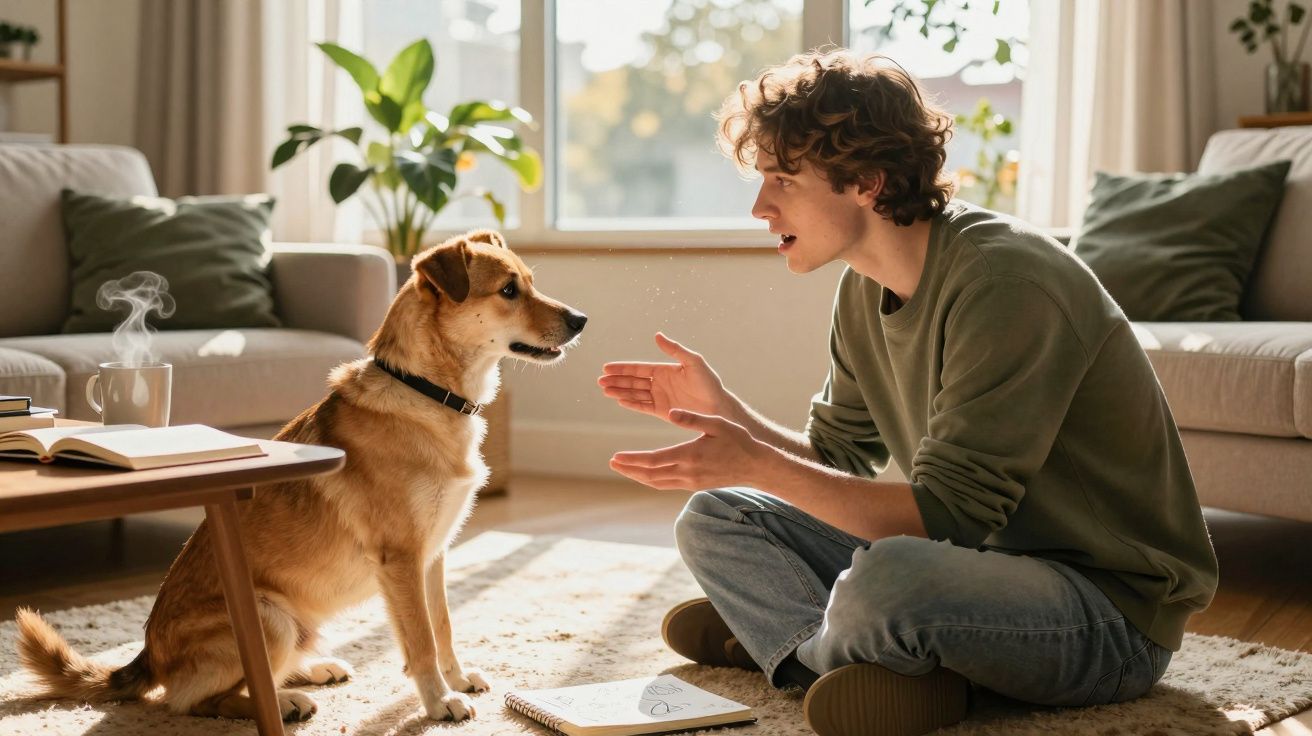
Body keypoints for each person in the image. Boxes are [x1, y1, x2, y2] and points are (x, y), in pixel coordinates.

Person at [596, 50, 1218, 736]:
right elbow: (836, 458)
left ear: (865, 182)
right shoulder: (864, 287)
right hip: (979, 570)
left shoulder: (1004, 284)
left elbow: (947, 517)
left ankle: (796, 643)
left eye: (781, 180)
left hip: (1107, 615)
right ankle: (846, 651)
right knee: (717, 515)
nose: (759, 207)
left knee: (890, 580)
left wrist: (756, 460)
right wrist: (728, 416)